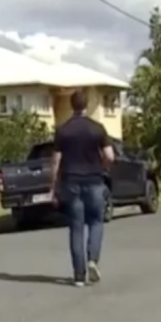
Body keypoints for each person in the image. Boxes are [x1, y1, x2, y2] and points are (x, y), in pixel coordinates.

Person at [48, 90, 114, 287]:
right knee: (96, 221)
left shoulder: (63, 130)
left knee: (76, 227)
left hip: (70, 181)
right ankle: (92, 259)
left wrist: (53, 186)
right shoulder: (98, 128)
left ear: (71, 105)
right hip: (94, 180)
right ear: (86, 106)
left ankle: (78, 275)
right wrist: (101, 166)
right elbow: (110, 156)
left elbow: (56, 161)